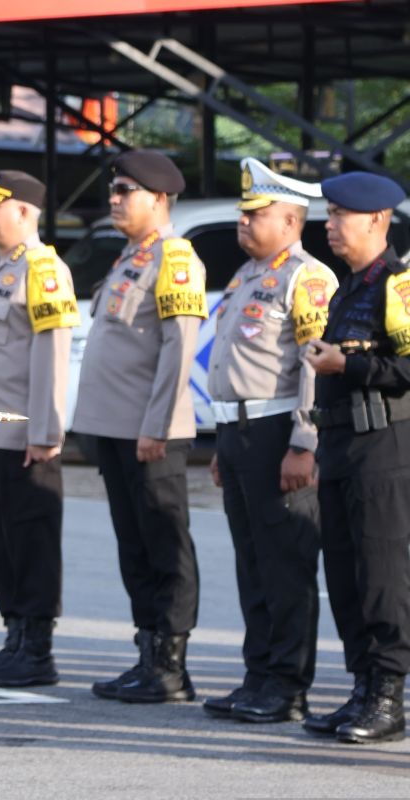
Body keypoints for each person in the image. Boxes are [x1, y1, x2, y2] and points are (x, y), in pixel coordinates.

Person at [203, 158, 336, 723]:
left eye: (255, 214)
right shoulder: (247, 275)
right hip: (238, 432)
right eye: (243, 213)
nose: (243, 221)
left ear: (290, 220)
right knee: (252, 562)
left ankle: (286, 684)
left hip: (278, 432)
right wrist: (221, 443)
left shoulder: (307, 277)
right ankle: (258, 674)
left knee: (285, 564)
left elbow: (313, 366)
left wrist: (304, 441)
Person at [72, 149, 207, 703]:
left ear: (159, 198)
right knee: (135, 545)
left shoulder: (174, 258)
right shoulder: (131, 257)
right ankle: (148, 654)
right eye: (114, 189)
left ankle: (171, 665)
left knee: (164, 545)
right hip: (116, 429)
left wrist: (159, 425)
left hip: (150, 433)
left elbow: (178, 350)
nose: (114, 199)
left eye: (125, 191)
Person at [0, 171, 78, 687]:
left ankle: (36, 649)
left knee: (31, 541)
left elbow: (52, 355)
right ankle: (14, 639)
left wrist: (45, 432)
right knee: (0, 540)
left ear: (24, 212)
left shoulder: (43, 268)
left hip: (21, 438)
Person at [304, 171, 410, 744]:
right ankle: (362, 689)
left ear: (376, 220)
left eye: (340, 214)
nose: (330, 224)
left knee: (380, 574)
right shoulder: (350, 286)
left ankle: (389, 696)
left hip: (383, 447)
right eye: (329, 214)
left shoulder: (397, 284)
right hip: (342, 444)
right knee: (344, 575)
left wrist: (348, 365)